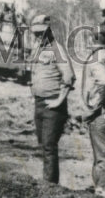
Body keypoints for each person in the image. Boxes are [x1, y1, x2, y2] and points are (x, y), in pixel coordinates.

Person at [28, 14, 75, 184]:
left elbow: (69, 77)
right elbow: (34, 73)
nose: (39, 36)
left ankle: (50, 186)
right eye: (36, 33)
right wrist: (33, 95)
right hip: (39, 103)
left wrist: (59, 100)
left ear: (49, 31)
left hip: (53, 105)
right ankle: (46, 182)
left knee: (49, 146)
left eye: (42, 33)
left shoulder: (57, 49)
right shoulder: (38, 49)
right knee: (43, 144)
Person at [79, 29, 105, 188]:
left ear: (93, 39)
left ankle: (102, 189)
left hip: (100, 114)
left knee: (102, 156)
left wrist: (95, 106)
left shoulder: (96, 59)